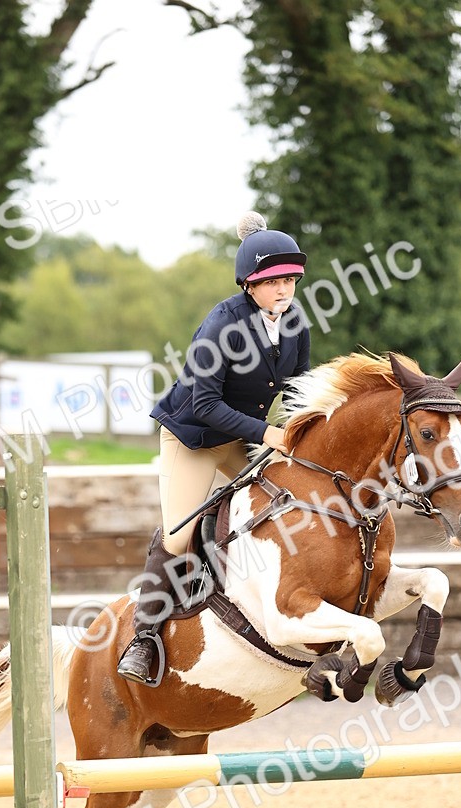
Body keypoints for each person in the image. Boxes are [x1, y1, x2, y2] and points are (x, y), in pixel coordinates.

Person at [117, 211, 311, 684]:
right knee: (179, 534)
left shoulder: (296, 324)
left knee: (283, 504)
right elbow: (204, 404)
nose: (283, 290)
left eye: (289, 280)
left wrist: (302, 428)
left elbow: (297, 388)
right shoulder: (221, 326)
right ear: (249, 284)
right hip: (194, 435)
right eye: (272, 282)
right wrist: (268, 434)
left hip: (241, 435)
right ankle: (142, 638)